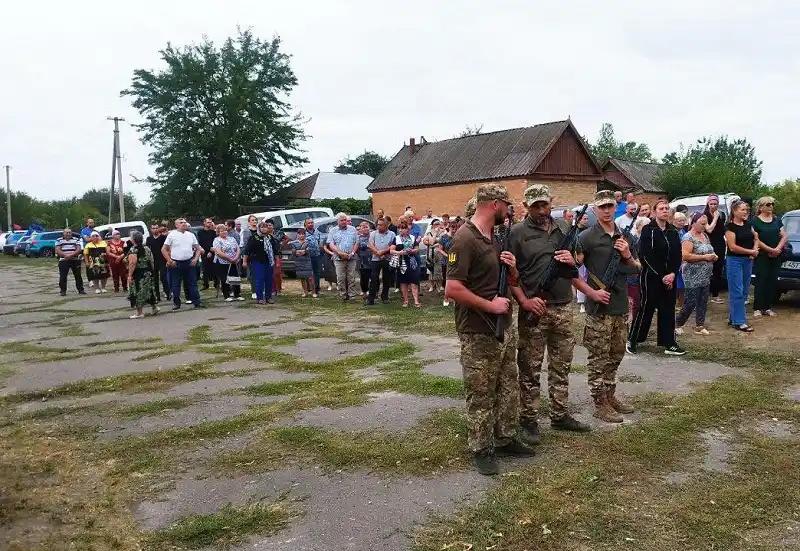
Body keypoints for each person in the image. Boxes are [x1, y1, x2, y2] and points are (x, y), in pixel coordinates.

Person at [445, 183, 534, 475]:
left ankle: (506, 437)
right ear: (495, 204)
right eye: (507, 205)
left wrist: (512, 269)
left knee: (507, 385)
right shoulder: (464, 239)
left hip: (503, 328)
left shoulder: (493, 239)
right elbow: (453, 289)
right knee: (481, 391)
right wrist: (490, 305)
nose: (510, 210)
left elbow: (503, 282)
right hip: (477, 330)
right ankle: (481, 448)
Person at [510, 184, 610, 440]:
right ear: (526, 206)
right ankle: (528, 419)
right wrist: (524, 302)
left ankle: (560, 413)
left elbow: (578, 260)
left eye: (545, 204)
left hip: (564, 306)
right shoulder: (517, 233)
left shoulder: (564, 228)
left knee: (561, 365)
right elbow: (511, 276)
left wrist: (571, 260)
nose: (542, 210)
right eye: (536, 206)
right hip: (535, 306)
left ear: (551, 202)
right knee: (530, 367)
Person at [577, 190, 641, 423]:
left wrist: (626, 255)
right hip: (598, 307)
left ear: (616, 208)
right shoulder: (586, 237)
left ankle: (610, 395)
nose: (606, 211)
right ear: (595, 209)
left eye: (610, 206)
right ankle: (599, 402)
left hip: (620, 304)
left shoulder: (625, 236)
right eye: (601, 207)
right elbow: (572, 268)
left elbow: (637, 268)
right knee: (598, 357)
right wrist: (590, 292)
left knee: (616, 354)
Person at [628, 200, 685, 355]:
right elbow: (645, 255)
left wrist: (672, 273)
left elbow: (677, 254)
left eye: (667, 208)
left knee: (668, 309)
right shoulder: (648, 230)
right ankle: (633, 339)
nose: (665, 211)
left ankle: (669, 342)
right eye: (661, 208)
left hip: (670, 277)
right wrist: (661, 275)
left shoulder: (673, 231)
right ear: (654, 212)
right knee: (646, 308)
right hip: (651, 276)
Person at [675, 213, 717, 335]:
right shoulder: (688, 237)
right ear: (693, 223)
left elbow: (710, 250)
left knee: (703, 300)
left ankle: (699, 325)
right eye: (702, 224)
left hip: (705, 274)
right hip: (692, 274)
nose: (704, 226)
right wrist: (705, 257)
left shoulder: (704, 236)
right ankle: (677, 323)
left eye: (706, 224)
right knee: (691, 301)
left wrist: (713, 256)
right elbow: (685, 255)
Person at [725, 200, 760, 331]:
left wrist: (754, 251)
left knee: (744, 291)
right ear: (734, 211)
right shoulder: (730, 227)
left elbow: (756, 238)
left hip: (747, 261)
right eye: (743, 209)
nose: (745, 212)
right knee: (737, 291)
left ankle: (733, 317)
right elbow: (733, 247)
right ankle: (739, 322)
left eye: (746, 210)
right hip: (735, 261)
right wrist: (750, 251)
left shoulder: (748, 224)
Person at [752, 196, 787, 317]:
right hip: (762, 255)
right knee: (761, 280)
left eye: (772, 204)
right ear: (761, 207)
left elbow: (784, 235)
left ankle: (767, 307)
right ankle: (757, 307)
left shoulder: (776, 220)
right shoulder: (755, 221)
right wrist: (770, 249)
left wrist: (777, 249)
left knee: (772, 281)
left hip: (776, 255)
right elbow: (756, 239)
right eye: (768, 204)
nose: (771, 206)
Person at [162, 218, 203, 310]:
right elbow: (163, 249)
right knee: (175, 285)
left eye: (184, 222)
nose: (183, 224)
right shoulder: (172, 235)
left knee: (192, 283)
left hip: (189, 262)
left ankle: (197, 302)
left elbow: (198, 248)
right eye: (181, 223)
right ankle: (177, 303)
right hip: (176, 263)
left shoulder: (191, 235)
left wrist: (195, 259)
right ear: (176, 225)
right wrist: (169, 260)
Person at [126, 231, 159, 319]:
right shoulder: (147, 248)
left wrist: (129, 275)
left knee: (137, 291)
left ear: (133, 239)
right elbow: (151, 260)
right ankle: (154, 307)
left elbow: (133, 263)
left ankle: (139, 313)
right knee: (149, 290)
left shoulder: (133, 249)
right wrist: (152, 271)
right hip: (148, 272)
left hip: (138, 273)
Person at [327, 212, 359, 301]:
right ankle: (343, 294)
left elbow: (356, 242)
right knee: (340, 278)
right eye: (342, 220)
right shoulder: (333, 230)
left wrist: (352, 253)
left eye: (345, 220)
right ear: (337, 221)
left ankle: (352, 295)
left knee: (351, 277)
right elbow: (331, 244)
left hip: (351, 257)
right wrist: (340, 253)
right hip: (338, 258)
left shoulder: (353, 229)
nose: (344, 222)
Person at [242, 220, 275, 304]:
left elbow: (275, 250)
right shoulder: (254, 237)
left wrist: (277, 261)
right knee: (259, 279)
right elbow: (247, 251)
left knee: (269, 280)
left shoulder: (270, 237)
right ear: (259, 228)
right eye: (262, 227)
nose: (264, 228)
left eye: (266, 227)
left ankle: (268, 297)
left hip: (269, 261)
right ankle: (260, 298)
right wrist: (244, 261)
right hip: (257, 261)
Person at [390, 221, 422, 308]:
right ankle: (405, 301)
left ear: (407, 229)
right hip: (401, 262)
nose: (400, 230)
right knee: (403, 282)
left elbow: (417, 248)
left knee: (414, 281)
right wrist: (399, 252)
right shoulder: (396, 238)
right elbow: (391, 250)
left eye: (403, 228)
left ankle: (416, 301)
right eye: (399, 228)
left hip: (412, 262)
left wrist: (413, 251)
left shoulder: (412, 237)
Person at [703, 195, 727, 303]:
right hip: (709, 243)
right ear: (708, 204)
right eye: (711, 204)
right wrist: (715, 218)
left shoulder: (721, 214)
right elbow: (709, 230)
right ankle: (704, 294)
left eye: (715, 204)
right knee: (708, 269)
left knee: (718, 269)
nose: (713, 206)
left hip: (720, 244)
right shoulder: (705, 215)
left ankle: (715, 295)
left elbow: (723, 230)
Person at [367, 217, 396, 305]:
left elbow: (392, 246)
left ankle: (385, 297)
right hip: (375, 259)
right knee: (374, 278)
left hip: (387, 259)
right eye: (378, 225)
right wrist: (378, 253)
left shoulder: (392, 234)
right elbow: (370, 245)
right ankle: (371, 299)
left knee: (386, 278)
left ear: (386, 225)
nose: (378, 226)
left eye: (381, 225)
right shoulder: (373, 234)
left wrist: (383, 253)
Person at [627, 217, 651, 323]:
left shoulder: (651, 239)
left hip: (645, 275)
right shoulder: (633, 240)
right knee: (633, 301)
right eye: (645, 226)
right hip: (633, 275)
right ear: (638, 227)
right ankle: (632, 322)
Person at [211, 223, 242, 302]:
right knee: (224, 279)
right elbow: (218, 252)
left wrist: (235, 258)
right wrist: (229, 259)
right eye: (221, 231)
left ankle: (237, 294)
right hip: (222, 262)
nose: (224, 232)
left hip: (233, 261)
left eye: (225, 230)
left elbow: (238, 248)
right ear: (218, 232)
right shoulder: (217, 240)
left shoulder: (232, 239)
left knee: (235, 277)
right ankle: (226, 295)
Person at [55, 228, 86, 296]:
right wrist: (65, 255)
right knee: (63, 276)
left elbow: (78, 249)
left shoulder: (76, 239)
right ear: (63, 233)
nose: (68, 234)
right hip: (63, 260)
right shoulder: (59, 240)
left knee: (78, 276)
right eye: (67, 232)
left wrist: (71, 255)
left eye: (69, 232)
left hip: (75, 260)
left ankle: (81, 290)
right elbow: (57, 250)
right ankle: (63, 291)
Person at [146, 224, 169, 302]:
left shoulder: (163, 238)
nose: (155, 229)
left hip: (162, 260)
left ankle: (168, 293)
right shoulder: (149, 239)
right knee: (155, 279)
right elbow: (148, 250)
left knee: (163, 277)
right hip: (153, 261)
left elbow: (167, 248)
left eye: (156, 228)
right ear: (151, 230)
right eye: (153, 228)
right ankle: (157, 296)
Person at [290, 227, 315, 297]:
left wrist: (302, 251)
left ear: (305, 235)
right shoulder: (294, 243)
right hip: (299, 262)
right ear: (297, 235)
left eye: (303, 234)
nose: (301, 235)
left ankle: (313, 292)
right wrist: (300, 252)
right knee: (302, 278)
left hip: (307, 261)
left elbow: (308, 251)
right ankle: (305, 292)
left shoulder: (308, 242)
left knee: (310, 277)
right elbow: (294, 251)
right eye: (300, 234)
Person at [436, 221, 456, 306]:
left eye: (456, 228)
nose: (454, 230)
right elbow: (439, 249)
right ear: (449, 228)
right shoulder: (444, 237)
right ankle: (446, 298)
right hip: (446, 261)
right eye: (453, 228)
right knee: (447, 280)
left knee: (456, 280)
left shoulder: (458, 237)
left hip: (456, 261)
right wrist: (447, 255)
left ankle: (455, 299)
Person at [423, 219, 445, 294]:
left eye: (438, 224)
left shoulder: (442, 233)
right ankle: (432, 286)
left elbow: (442, 243)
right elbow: (429, 242)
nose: (437, 225)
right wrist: (435, 235)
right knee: (430, 271)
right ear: (432, 225)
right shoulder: (429, 233)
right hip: (430, 254)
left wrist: (433, 243)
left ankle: (439, 286)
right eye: (436, 224)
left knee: (438, 271)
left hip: (439, 255)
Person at [265, 222, 286, 297]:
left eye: (270, 225)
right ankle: (273, 290)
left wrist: (281, 245)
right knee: (270, 274)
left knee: (277, 273)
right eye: (267, 225)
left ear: (273, 226)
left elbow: (286, 239)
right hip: (268, 256)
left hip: (277, 255)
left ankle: (279, 289)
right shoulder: (265, 235)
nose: (268, 227)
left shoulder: (279, 233)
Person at [240, 214, 259, 299]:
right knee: (251, 275)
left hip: (259, 255)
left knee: (259, 273)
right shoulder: (246, 231)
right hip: (250, 255)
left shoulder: (259, 230)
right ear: (249, 222)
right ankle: (254, 291)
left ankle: (259, 289)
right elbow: (245, 245)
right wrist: (245, 256)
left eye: (255, 220)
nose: (254, 221)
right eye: (252, 220)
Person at [197, 218, 218, 291]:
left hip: (213, 252)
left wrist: (211, 252)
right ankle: (205, 284)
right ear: (204, 223)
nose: (209, 223)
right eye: (208, 222)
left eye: (210, 222)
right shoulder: (200, 232)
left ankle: (216, 284)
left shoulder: (213, 232)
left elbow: (214, 242)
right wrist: (208, 251)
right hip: (204, 252)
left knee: (215, 269)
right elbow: (201, 242)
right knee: (205, 269)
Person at [303, 218, 323, 297]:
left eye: (312, 223)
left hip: (317, 256)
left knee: (317, 273)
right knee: (308, 273)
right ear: (305, 225)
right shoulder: (303, 233)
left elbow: (320, 243)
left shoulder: (317, 232)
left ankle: (317, 289)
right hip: (307, 256)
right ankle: (309, 289)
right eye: (309, 223)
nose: (311, 224)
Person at [356, 221, 372, 299]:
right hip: (363, 260)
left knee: (374, 277)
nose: (365, 229)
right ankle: (365, 292)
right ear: (360, 228)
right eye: (363, 227)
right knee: (364, 278)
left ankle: (374, 293)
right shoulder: (358, 237)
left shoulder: (373, 235)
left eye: (366, 227)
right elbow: (356, 248)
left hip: (373, 259)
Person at [80, 218, 96, 287]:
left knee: (96, 264)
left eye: (92, 222)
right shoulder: (84, 230)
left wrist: (91, 238)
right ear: (87, 223)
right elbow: (86, 239)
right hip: (87, 250)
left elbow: (99, 239)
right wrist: (94, 239)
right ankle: (90, 280)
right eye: (90, 222)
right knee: (88, 265)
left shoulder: (95, 230)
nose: (92, 224)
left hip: (95, 249)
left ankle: (95, 279)